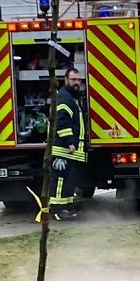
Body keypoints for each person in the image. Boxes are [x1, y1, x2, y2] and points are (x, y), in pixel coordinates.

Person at [49, 67, 87, 221]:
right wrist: (70, 142)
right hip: (63, 150)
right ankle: (58, 210)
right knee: (61, 181)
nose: (77, 82)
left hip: (70, 151)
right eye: (73, 80)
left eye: (79, 80)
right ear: (66, 80)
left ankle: (67, 208)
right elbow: (61, 122)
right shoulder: (64, 98)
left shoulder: (72, 98)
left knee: (69, 181)